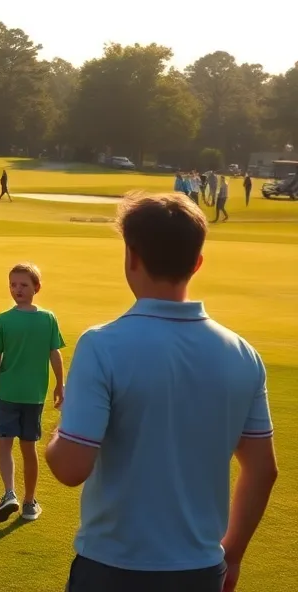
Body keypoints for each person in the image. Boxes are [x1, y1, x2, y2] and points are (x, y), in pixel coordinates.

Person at [46, 194, 276, 592]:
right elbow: (262, 470)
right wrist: (233, 555)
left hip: (111, 569)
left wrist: (57, 433)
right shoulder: (243, 354)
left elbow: (70, 467)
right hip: (201, 570)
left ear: (131, 257)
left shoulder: (102, 345)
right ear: (197, 262)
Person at [0, 263, 65, 524]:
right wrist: (59, 384)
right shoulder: (47, 318)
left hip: (9, 393)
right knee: (28, 448)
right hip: (33, 395)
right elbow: (55, 354)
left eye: (23, 285)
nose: (17, 289)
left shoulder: (5, 320)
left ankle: (11, 493)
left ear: (36, 288)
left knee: (5, 445)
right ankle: (28, 502)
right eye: (13, 285)